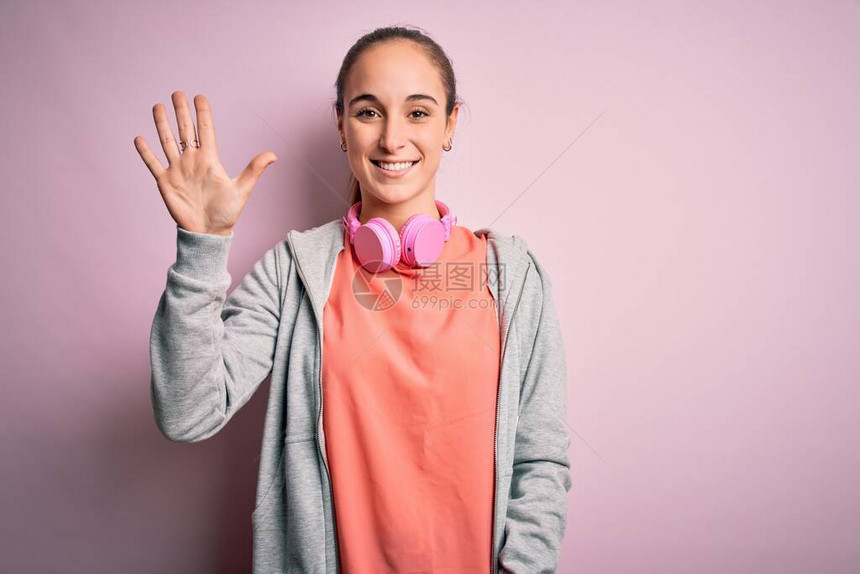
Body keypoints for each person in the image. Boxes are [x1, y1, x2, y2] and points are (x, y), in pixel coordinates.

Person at [135, 25, 571, 574]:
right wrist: (204, 245)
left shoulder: (514, 276)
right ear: (341, 126)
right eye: (368, 112)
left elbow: (541, 457)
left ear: (450, 125)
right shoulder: (293, 271)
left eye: (418, 112)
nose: (392, 139)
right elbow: (187, 412)